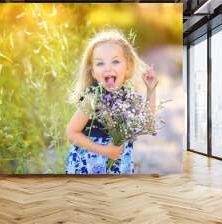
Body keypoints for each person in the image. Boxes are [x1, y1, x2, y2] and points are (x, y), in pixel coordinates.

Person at [65, 29, 158, 174]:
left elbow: (147, 122)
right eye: (100, 63)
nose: (108, 67)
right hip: (88, 166)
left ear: (127, 66)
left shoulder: (128, 96)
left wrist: (151, 90)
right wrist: (106, 151)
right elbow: (72, 132)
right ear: (93, 72)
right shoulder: (93, 97)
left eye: (115, 61)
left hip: (119, 166)